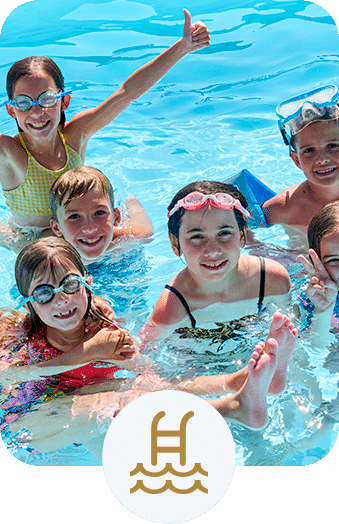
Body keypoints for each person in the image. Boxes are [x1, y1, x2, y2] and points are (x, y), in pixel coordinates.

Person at [0, 10, 210, 250]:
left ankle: (131, 204)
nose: (36, 112)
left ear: (63, 101)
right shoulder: (9, 152)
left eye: (47, 99)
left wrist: (182, 47)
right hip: (41, 247)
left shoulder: (74, 136)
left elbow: (127, 92)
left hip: (86, 234)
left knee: (143, 235)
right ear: (11, 110)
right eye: (24, 103)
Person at [139, 180, 292, 352]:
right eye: (197, 237)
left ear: (242, 236)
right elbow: (140, 355)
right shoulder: (173, 306)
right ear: (175, 243)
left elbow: (293, 335)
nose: (212, 251)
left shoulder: (271, 279)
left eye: (224, 233)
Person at [262, 85, 339, 237]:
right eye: (309, 150)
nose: (322, 159)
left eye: (332, 146)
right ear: (296, 160)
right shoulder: (280, 210)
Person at [49, 166, 153, 262]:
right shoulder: (53, 252)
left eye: (99, 213)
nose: (90, 229)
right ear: (57, 228)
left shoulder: (120, 238)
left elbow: (146, 232)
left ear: (116, 217)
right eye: (74, 216)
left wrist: (130, 201)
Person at [297, 200, 339, 338]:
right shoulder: (311, 298)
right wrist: (323, 310)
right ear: (317, 264)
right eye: (334, 260)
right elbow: (313, 353)